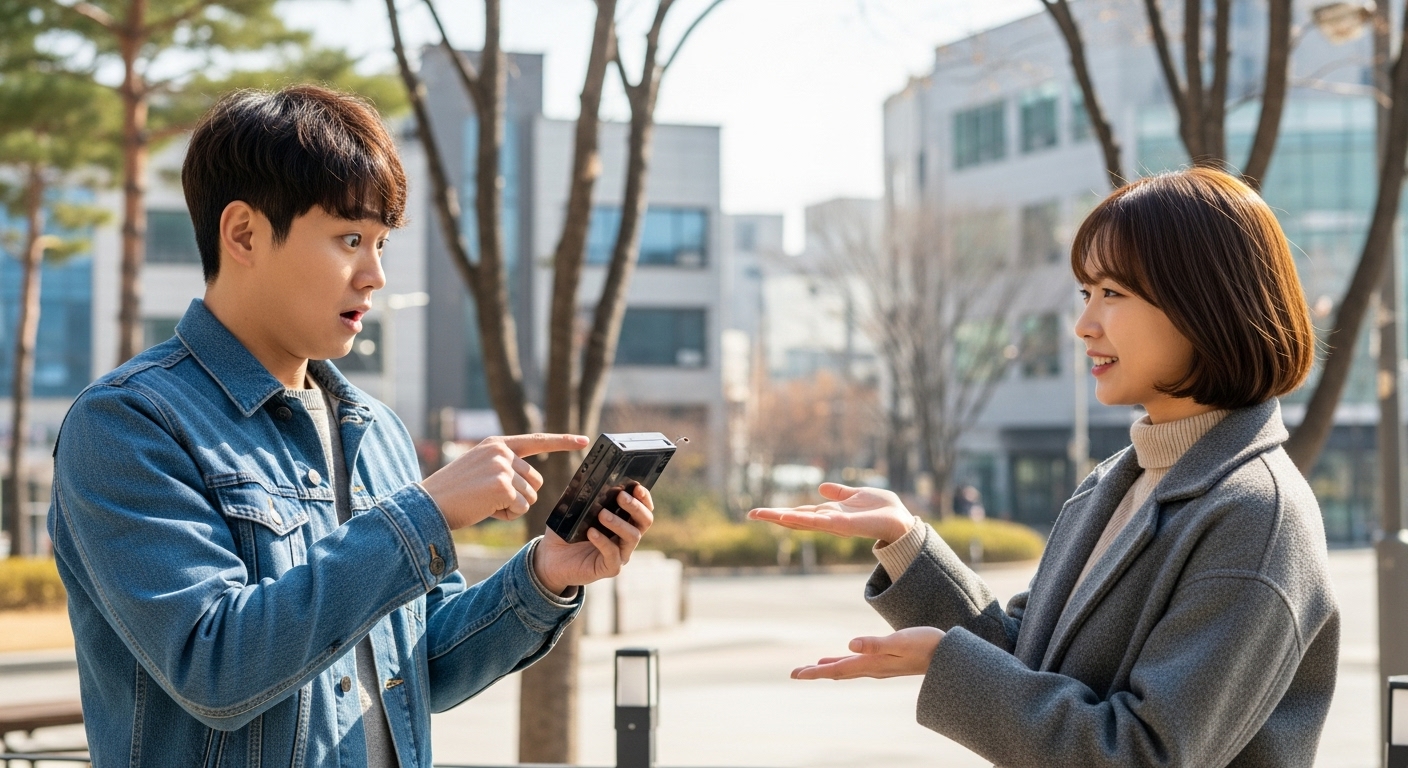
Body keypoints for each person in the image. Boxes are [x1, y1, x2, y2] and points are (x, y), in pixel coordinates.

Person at [48, 85, 654, 768]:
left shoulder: (376, 430)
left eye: (381, 243)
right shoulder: (129, 423)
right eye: (350, 239)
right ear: (243, 234)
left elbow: (425, 665)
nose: (375, 275)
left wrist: (544, 575)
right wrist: (422, 515)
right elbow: (213, 666)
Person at [750, 167, 1338, 767]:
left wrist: (946, 661)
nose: (1084, 325)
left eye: (1113, 293)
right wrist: (906, 543)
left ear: (1206, 302)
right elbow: (1028, 661)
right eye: (1086, 294)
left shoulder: (1256, 516)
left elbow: (1143, 754)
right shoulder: (1115, 483)